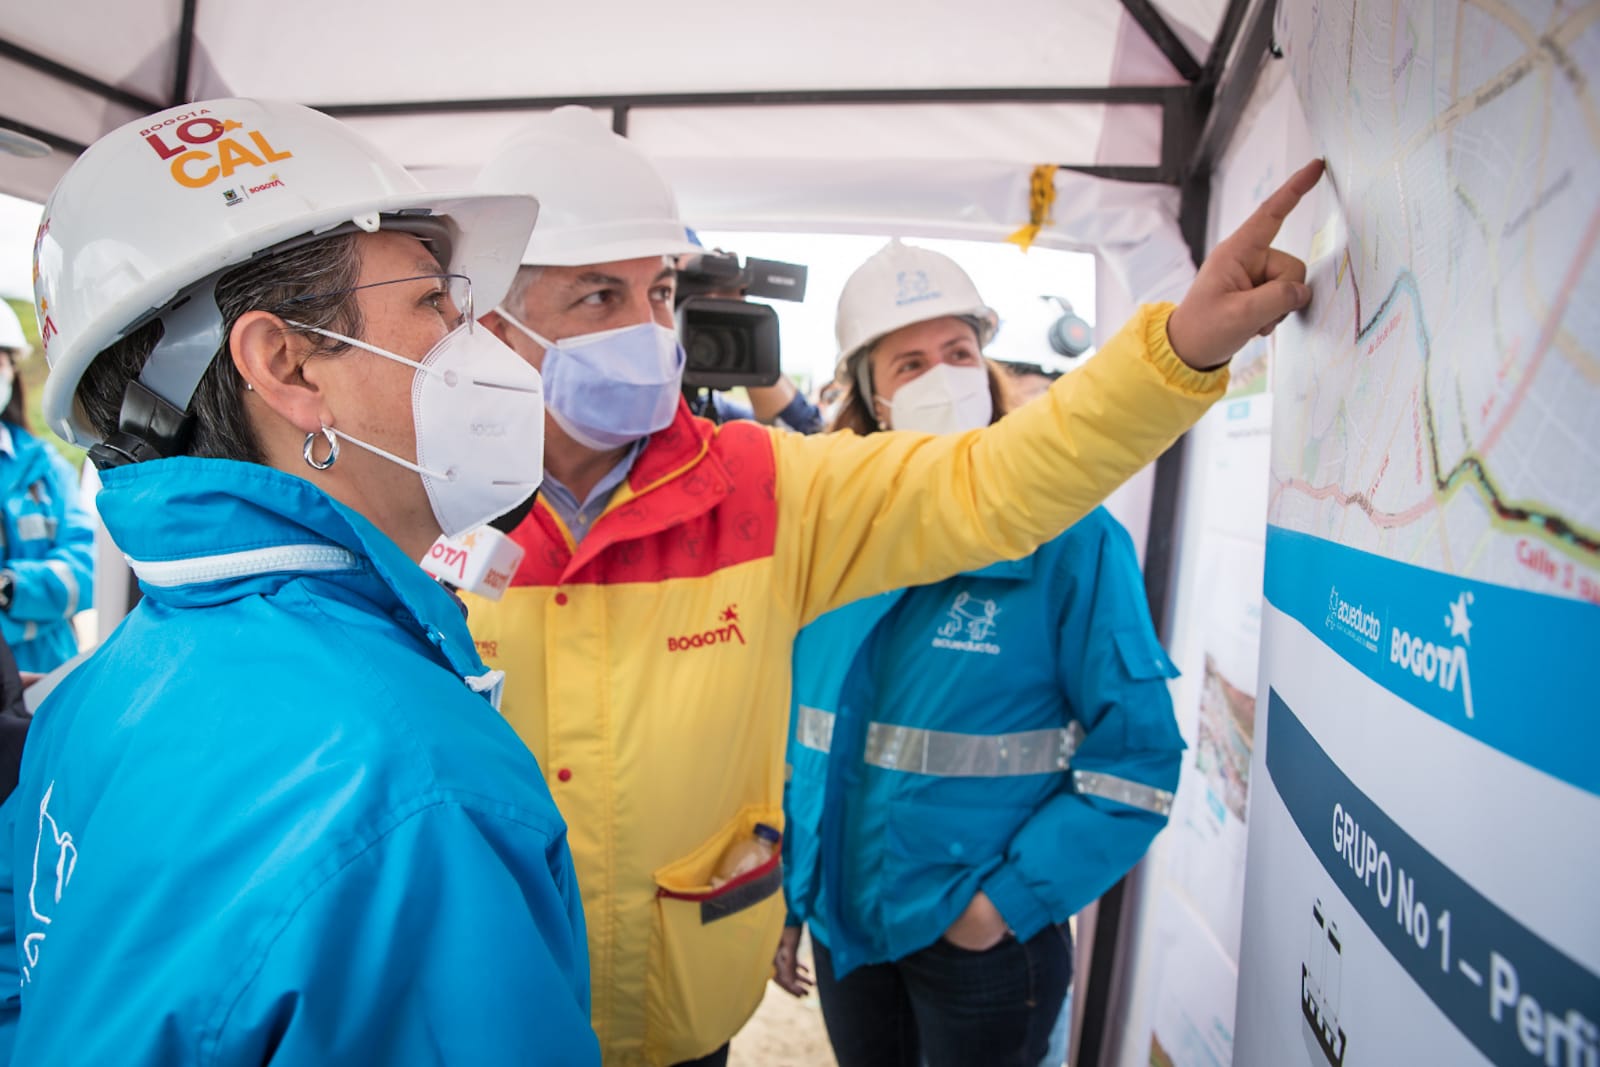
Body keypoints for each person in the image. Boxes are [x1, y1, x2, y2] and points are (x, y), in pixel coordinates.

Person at [467, 103, 1321, 1066]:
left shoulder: (764, 485)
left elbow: (994, 480)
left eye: (659, 292)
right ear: (493, 319)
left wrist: (1182, 347)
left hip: (684, 1018)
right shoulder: (424, 504)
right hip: (501, 1004)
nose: (646, 329)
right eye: (597, 297)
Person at [0, 98, 596, 1064]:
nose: (479, 345)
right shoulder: (413, 788)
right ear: (285, 365)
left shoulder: (100, 685)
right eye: (436, 302)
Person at [772, 244, 1181, 1067]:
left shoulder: (1071, 537)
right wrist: (793, 896)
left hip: (981, 943)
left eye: (958, 352)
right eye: (911, 362)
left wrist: (1000, 905)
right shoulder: (825, 532)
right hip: (845, 925)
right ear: (872, 396)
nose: (942, 377)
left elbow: (1135, 758)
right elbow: (797, 736)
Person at [0, 302, 93, 674]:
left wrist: (8, 588)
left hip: (48, 677)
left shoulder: (45, 465)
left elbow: (87, 569)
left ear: (12, 369)